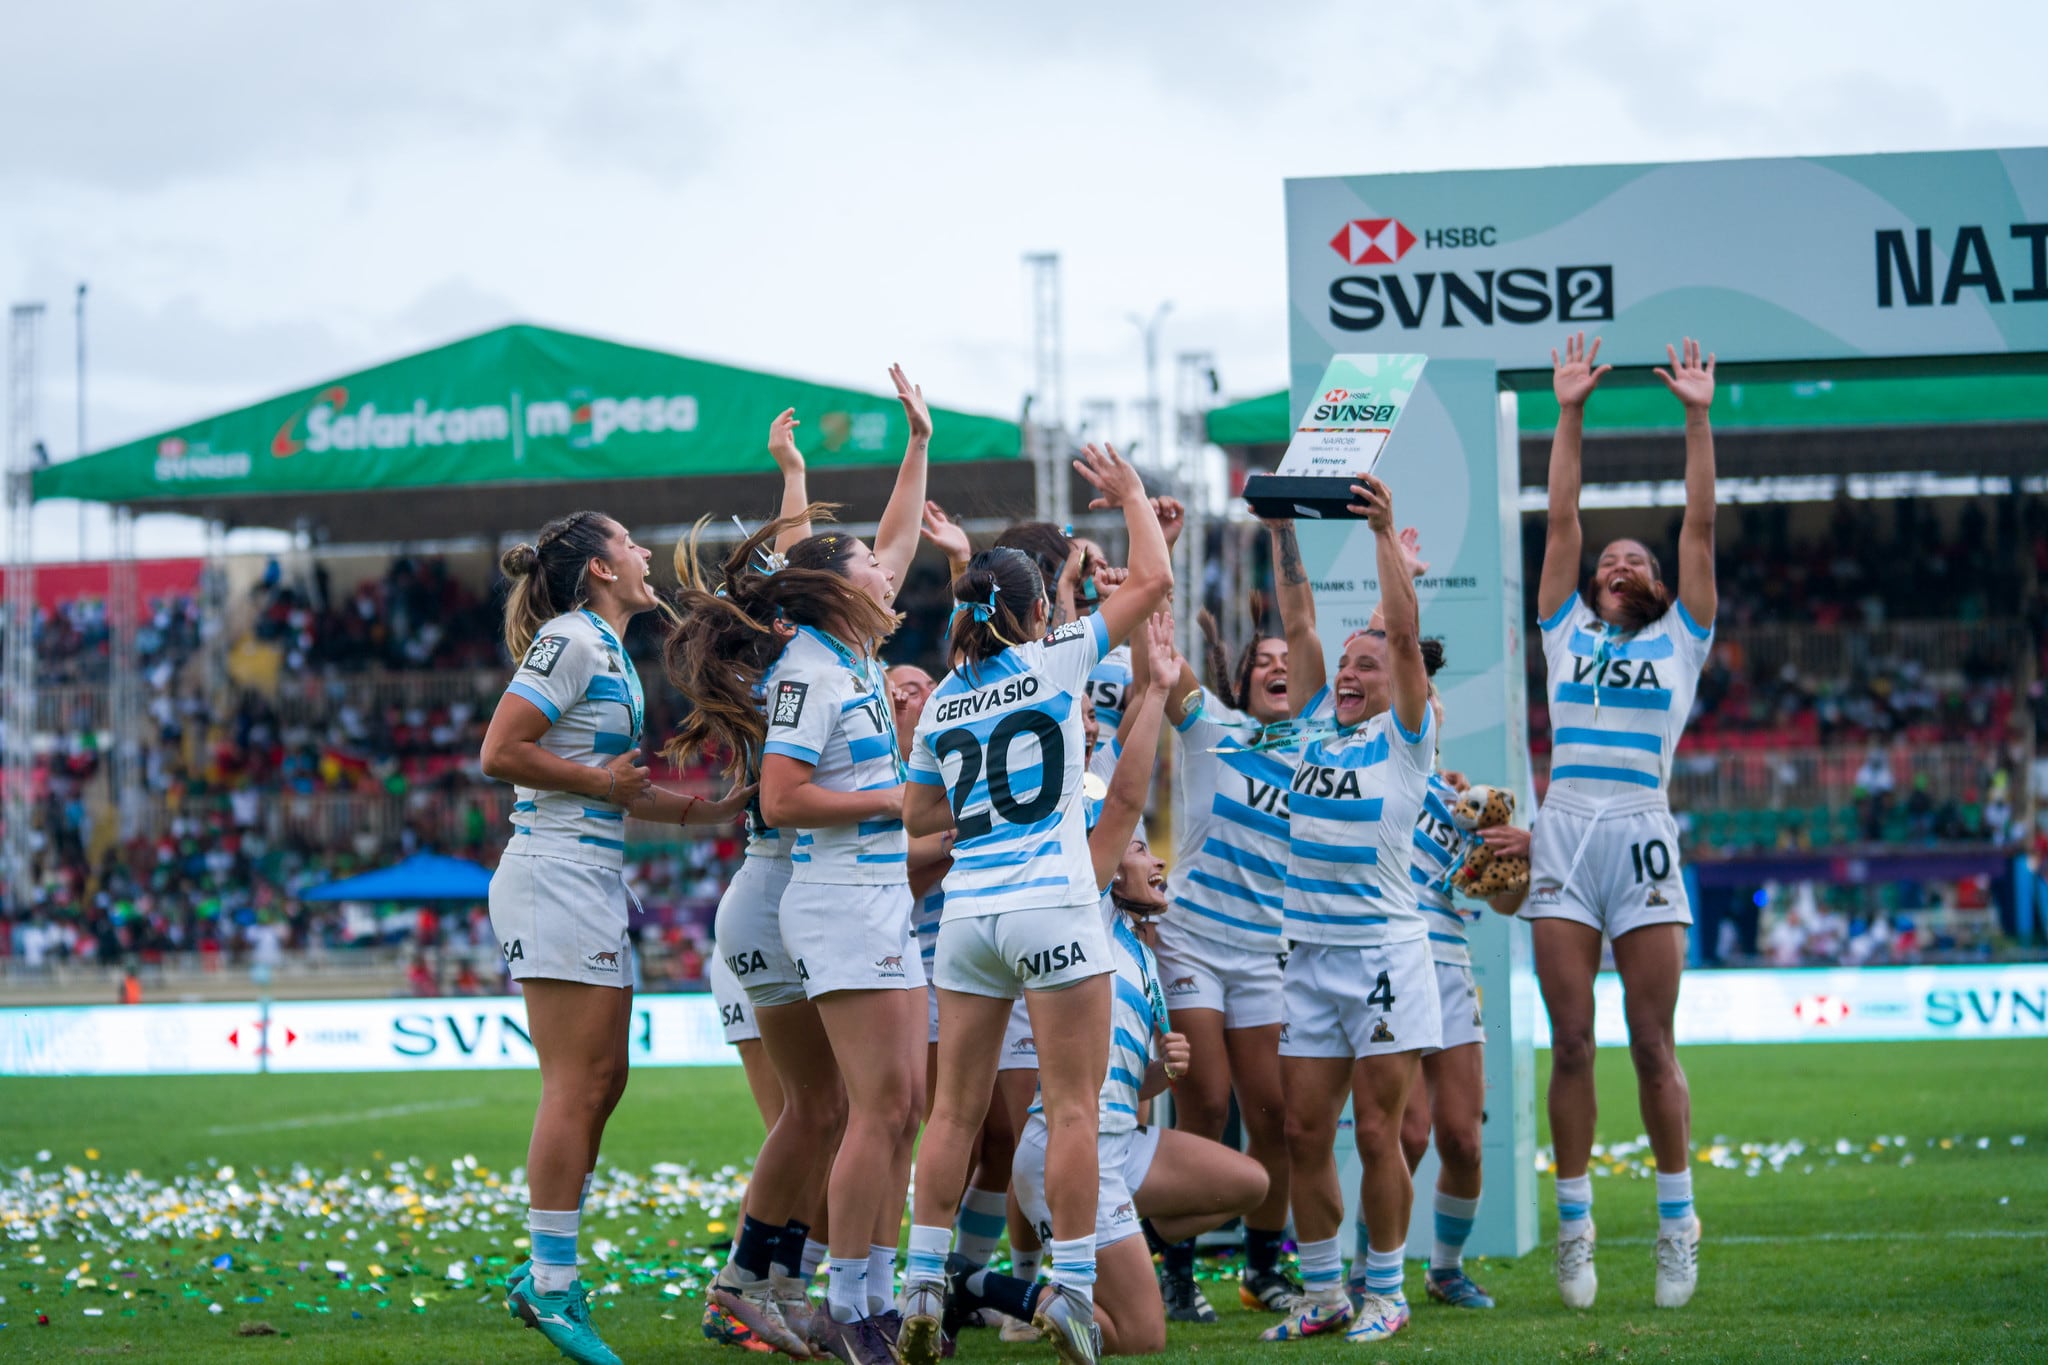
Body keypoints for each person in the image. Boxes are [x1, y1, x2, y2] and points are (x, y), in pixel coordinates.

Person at [895, 443, 1173, 1365]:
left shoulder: (941, 705)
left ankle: (925, 1283)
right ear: (1038, 608)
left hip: (969, 915)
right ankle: (1075, 1292)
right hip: (1053, 902)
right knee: (1074, 1109)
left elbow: (918, 814)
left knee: (953, 1117)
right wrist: (1130, 493)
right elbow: (1156, 580)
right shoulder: (1058, 658)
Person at [948, 614, 1269, 1356]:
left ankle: (1098, 1260)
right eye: (1136, 848)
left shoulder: (1140, 949)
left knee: (1247, 1182)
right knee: (1142, 1338)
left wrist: (1164, 1070)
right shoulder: (1081, 905)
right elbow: (1119, 787)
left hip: (1124, 1144)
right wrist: (1149, 686)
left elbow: (1132, 1079)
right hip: (1075, 1154)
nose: (1153, 857)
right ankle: (984, 1283)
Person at [480, 509, 751, 1365]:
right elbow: (501, 749)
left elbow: (617, 789)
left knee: (604, 1079)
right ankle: (552, 1285)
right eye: (630, 541)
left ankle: (547, 1272)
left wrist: (707, 810)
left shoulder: (607, 649)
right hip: (553, 872)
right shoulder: (570, 639)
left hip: (588, 875)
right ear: (600, 566)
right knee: (580, 1079)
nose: (644, 552)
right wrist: (596, 779)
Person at [1530, 333, 1718, 1311]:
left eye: (1631, 556)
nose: (1617, 558)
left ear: (1652, 585)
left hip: (1641, 828)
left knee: (1651, 1042)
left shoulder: (1683, 639)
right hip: (1563, 827)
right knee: (1569, 1041)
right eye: (1608, 554)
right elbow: (1560, 514)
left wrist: (1694, 416)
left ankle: (1676, 1220)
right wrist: (1569, 411)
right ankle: (1573, 1228)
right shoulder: (1561, 628)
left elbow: (1695, 523)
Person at [677, 406, 849, 1358]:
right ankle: (746, 1285)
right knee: (811, 1111)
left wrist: (793, 470)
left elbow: (791, 569)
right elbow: (794, 569)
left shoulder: (787, 669)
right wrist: (791, 480)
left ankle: (772, 1282)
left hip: (778, 900)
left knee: (823, 1111)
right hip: (776, 899)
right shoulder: (790, 670)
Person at [1260, 476, 1437, 1348]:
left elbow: (1401, 632)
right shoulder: (1308, 730)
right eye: (1347, 665)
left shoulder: (1406, 741)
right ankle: (1326, 1291)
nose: (1351, 672)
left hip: (1381, 957)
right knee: (1302, 1129)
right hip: (1310, 955)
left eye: (1367, 663)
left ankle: (1388, 1289)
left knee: (1377, 1130)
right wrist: (1282, 527)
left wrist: (1378, 536)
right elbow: (1298, 623)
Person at [1146, 521, 1313, 1321]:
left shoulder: (1321, 750)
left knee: (1274, 1110)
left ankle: (1260, 1267)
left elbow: (1312, 631)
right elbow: (1160, 647)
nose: (1279, 667)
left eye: (1290, 663)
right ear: (1240, 682)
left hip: (1265, 951)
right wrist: (1163, 548)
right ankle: (1174, 1271)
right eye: (1264, 663)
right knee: (1206, 1102)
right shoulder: (1212, 725)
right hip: (1191, 940)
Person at [1394, 670, 1533, 1312]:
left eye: (1433, 697)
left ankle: (1446, 1269)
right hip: (1387, 962)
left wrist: (1512, 865)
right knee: (1405, 1135)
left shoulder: (1466, 803)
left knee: (1463, 1138)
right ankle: (1378, 1268)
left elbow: (1507, 905)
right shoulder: (1377, 775)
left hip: (1449, 966)